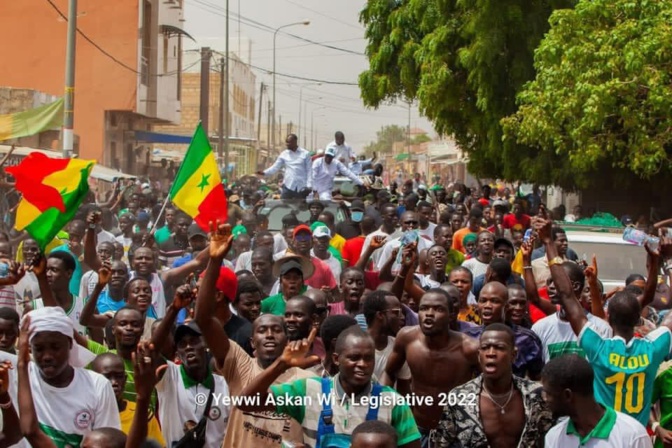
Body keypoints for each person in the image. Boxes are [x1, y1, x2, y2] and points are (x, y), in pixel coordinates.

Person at [536, 210, 672, 427]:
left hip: (604, 434)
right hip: (637, 436)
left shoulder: (598, 348)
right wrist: (658, 262)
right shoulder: (654, 348)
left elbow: (568, 296)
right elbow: (655, 305)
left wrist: (547, 241)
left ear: (609, 318)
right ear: (640, 317)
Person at [194, 222, 316, 448]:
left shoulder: (307, 381)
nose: (269, 335)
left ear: (286, 339)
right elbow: (203, 318)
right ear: (252, 341)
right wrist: (215, 261)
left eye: (277, 330)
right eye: (262, 330)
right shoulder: (238, 364)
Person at [236, 326, 421, 448]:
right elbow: (246, 402)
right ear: (336, 359)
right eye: (354, 357)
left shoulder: (392, 401)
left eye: (368, 358)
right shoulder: (308, 390)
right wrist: (281, 365)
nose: (362, 364)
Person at [4, 308, 120, 446]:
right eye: (39, 349)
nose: (47, 356)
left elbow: (108, 442)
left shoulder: (97, 385)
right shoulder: (14, 373)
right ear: (29, 348)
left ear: (70, 344)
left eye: (55, 347)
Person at [383, 289, 479, 443]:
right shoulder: (406, 338)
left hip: (456, 432)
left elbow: (491, 386)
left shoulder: (469, 349)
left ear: (452, 315)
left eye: (438, 309)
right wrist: (386, 407)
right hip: (415, 428)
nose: (429, 313)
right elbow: (389, 372)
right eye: (424, 308)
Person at [434, 323, 553, 447]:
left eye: (499, 347)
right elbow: (442, 443)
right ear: (479, 355)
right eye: (485, 347)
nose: (491, 353)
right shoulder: (459, 398)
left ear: (513, 355)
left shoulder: (537, 395)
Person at [542, 354, 652, 448]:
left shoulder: (633, 436)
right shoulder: (554, 438)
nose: (545, 399)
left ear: (567, 395)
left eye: (548, 393)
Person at [531, 261, 612, 362]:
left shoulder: (601, 328)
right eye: (549, 282)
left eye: (556, 282)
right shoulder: (540, 328)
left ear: (576, 286)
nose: (551, 287)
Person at [465, 282, 544, 379]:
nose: (487, 306)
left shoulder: (527, 338)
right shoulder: (468, 337)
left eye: (494, 301)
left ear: (506, 307)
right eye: (483, 301)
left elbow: (536, 377)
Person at [90, 353, 164, 445]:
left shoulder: (142, 415)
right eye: (107, 377)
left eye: (119, 376)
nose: (114, 382)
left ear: (125, 380)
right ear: (93, 381)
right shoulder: (85, 415)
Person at [257, 134, 313, 200]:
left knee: (300, 208)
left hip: (301, 187)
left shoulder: (305, 154)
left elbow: (309, 171)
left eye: (289, 142)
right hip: (288, 186)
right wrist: (264, 173)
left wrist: (309, 186)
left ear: (295, 141)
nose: (287, 144)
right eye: (286, 142)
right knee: (283, 206)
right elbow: (275, 167)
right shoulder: (284, 154)